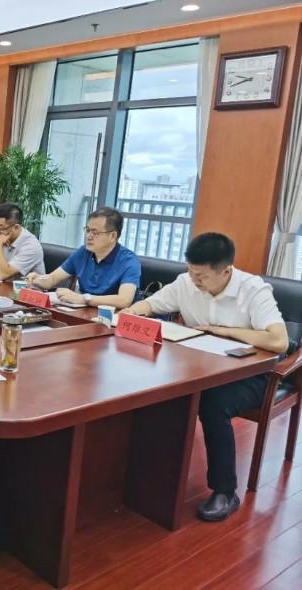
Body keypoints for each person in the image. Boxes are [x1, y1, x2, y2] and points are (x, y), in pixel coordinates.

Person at [123, 233, 288, 522]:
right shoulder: (186, 282)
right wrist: (132, 311)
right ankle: (147, 473)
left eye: (202, 276)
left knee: (213, 404)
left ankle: (225, 491)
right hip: (200, 367)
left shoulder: (253, 290)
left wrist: (223, 331)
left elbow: (279, 341)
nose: (194, 280)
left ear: (226, 271)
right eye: (191, 271)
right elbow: (151, 304)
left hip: (252, 375)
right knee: (150, 384)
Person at [26, 207, 140, 309]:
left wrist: (85, 299)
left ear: (112, 236)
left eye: (95, 233)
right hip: (84, 313)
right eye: (88, 230)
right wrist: (37, 279)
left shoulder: (129, 261)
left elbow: (124, 300)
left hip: (113, 318)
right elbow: (52, 279)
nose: (88, 236)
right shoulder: (83, 253)